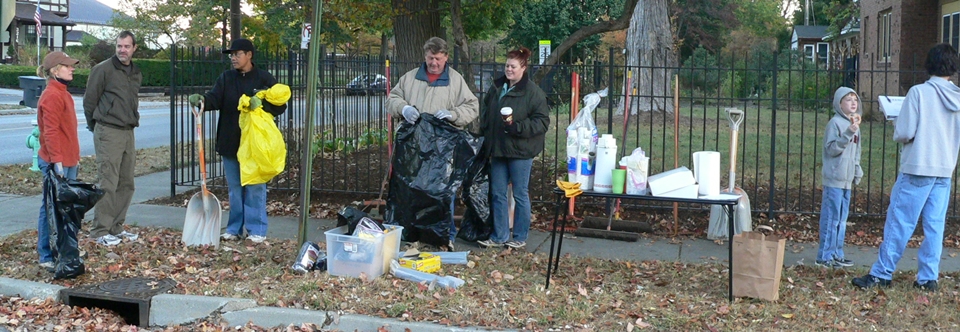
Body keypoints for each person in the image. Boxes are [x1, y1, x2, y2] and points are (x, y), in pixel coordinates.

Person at [852, 43, 960, 291]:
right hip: (944, 169)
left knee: (900, 221)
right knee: (935, 226)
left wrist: (895, 120)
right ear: (953, 67)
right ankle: (928, 278)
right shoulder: (958, 97)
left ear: (929, 64)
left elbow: (906, 132)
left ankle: (882, 273)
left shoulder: (919, 93)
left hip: (918, 166)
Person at [188, 38, 287, 244]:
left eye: (237, 54)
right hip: (230, 141)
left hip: (255, 146)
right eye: (231, 55)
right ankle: (233, 229)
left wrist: (262, 103)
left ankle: (257, 230)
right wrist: (202, 100)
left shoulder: (264, 78)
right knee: (235, 189)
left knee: (255, 188)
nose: (233, 58)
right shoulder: (226, 78)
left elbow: (281, 105)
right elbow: (214, 98)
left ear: (249, 55)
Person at [384, 37, 480, 250]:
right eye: (430, 58)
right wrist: (403, 108)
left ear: (446, 57)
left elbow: (472, 106)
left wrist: (453, 114)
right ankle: (413, 233)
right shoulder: (410, 79)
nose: (433, 63)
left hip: (442, 150)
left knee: (443, 193)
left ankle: (447, 236)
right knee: (412, 190)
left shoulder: (455, 81)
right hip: (413, 148)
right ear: (424, 56)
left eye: (437, 58)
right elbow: (392, 99)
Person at [476, 47, 550, 249]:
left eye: (513, 66)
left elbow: (542, 122)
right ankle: (499, 236)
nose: (508, 69)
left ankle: (519, 237)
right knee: (497, 193)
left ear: (523, 68)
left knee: (520, 194)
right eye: (507, 65)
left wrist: (517, 127)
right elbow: (486, 111)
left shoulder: (533, 93)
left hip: (520, 151)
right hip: (498, 149)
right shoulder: (497, 87)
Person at [83, 31, 142, 246]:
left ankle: (116, 228)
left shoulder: (135, 72)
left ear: (134, 48)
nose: (122, 50)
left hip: (128, 131)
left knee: (126, 182)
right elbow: (90, 102)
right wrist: (96, 127)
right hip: (108, 130)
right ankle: (100, 231)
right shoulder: (103, 70)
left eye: (126, 46)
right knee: (108, 181)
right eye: (119, 46)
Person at [35, 51, 81, 269]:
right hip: (57, 161)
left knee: (64, 208)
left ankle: (62, 249)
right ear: (55, 70)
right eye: (67, 65)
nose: (72, 68)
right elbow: (51, 131)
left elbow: (68, 131)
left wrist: (74, 159)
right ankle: (45, 254)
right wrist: (58, 162)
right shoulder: (52, 95)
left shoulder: (63, 93)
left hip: (68, 160)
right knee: (51, 207)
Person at [815, 87, 862, 268]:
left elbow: (856, 151)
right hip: (834, 178)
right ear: (839, 103)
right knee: (831, 217)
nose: (852, 103)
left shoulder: (855, 126)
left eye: (855, 100)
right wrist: (848, 133)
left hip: (846, 180)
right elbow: (832, 149)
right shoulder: (835, 124)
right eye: (848, 100)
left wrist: (856, 170)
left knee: (842, 220)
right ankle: (824, 255)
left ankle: (837, 253)